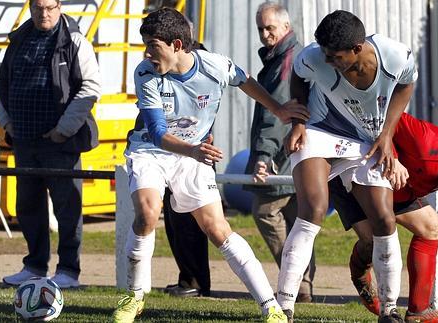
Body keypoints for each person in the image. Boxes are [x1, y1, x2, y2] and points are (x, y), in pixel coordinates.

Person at [112, 8, 309, 323]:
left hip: (194, 153)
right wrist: (193, 150)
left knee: (218, 229)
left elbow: (244, 80)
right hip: (152, 150)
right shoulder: (145, 73)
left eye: (153, 45)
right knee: (148, 214)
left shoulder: (215, 66)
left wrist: (279, 109)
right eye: (145, 45)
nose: (147, 53)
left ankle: (270, 306)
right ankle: (133, 297)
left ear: (177, 45)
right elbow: (159, 135)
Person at [276, 10, 417, 323]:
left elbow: (407, 84)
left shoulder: (395, 56)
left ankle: (390, 309)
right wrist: (298, 121)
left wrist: (387, 133)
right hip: (320, 129)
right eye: (325, 54)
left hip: (364, 140)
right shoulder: (313, 57)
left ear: (357, 48)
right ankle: (283, 307)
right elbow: (299, 76)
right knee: (313, 208)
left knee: (383, 219)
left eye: (335, 56)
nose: (327, 61)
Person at [329, 112, 438, 322]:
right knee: (373, 242)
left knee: (433, 228)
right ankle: (359, 274)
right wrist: (392, 156)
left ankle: (418, 313)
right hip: (353, 176)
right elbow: (382, 116)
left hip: (394, 190)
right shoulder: (426, 141)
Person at [0, 0, 101, 289]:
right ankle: (34, 266)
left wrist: (63, 130)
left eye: (50, 7)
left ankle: (68, 271)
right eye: (38, 7)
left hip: (60, 143)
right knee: (28, 207)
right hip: (24, 141)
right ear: (30, 7)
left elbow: (90, 87)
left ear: (60, 6)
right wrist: (7, 123)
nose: (44, 13)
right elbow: (2, 82)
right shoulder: (19, 39)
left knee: (68, 210)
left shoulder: (75, 41)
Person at [243, 2, 315, 303]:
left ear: (286, 28)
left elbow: (277, 117)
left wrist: (263, 157)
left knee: (266, 210)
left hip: (284, 154)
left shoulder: (285, 64)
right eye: (261, 28)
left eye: (270, 28)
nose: (264, 34)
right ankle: (303, 285)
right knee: (297, 219)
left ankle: (295, 280)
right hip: (300, 153)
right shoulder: (287, 58)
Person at [161, 40, 212, 299]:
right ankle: (187, 277)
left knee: (192, 224)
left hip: (193, 154)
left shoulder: (200, 58)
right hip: (173, 153)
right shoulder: (160, 71)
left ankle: (195, 280)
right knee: (174, 222)